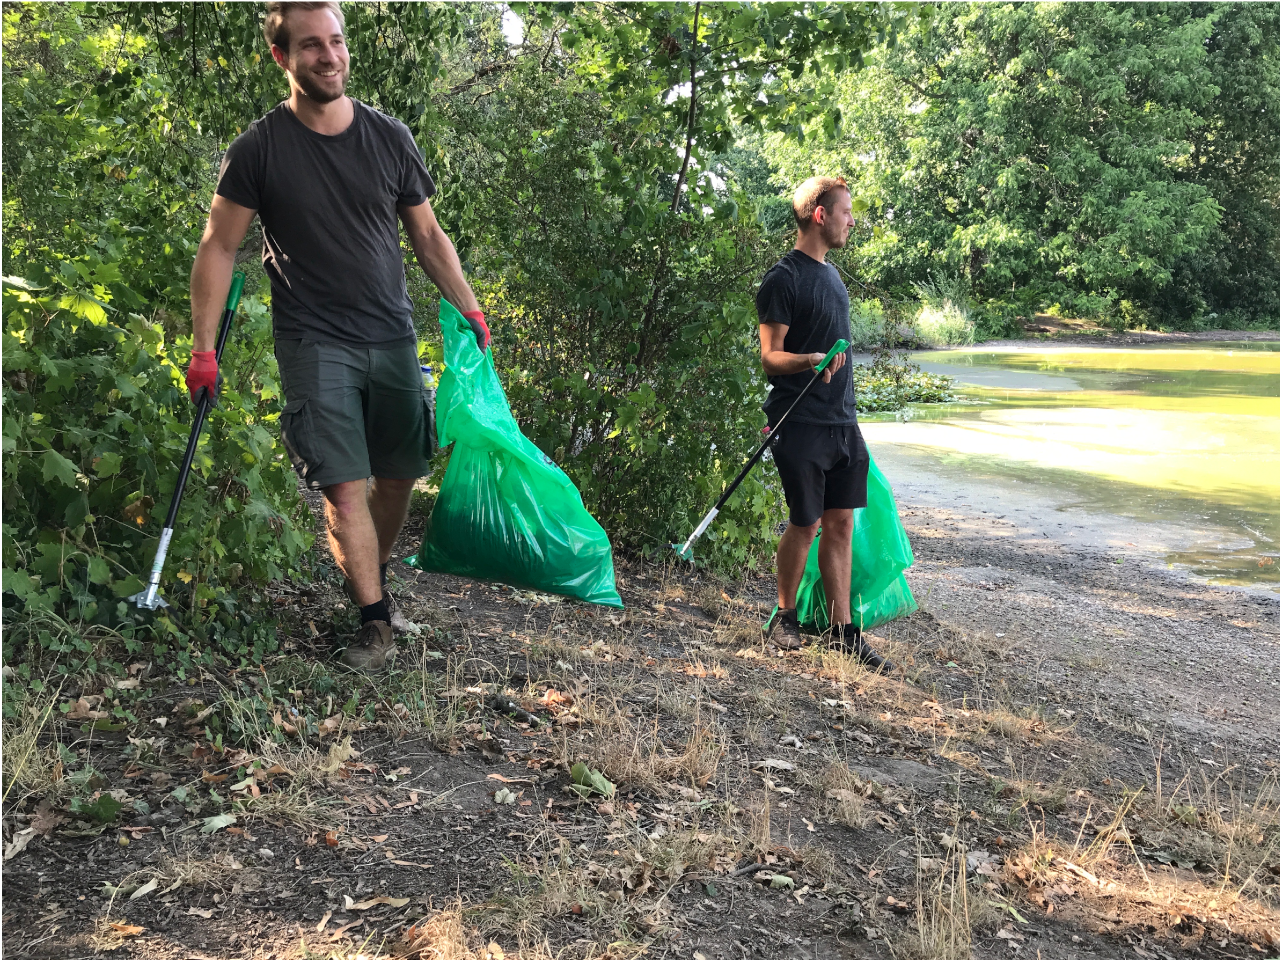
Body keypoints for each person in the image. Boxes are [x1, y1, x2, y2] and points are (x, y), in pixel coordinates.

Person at [186, 1, 487, 671]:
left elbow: (429, 235)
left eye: (337, 41)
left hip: (391, 335)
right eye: (312, 45)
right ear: (282, 57)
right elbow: (218, 246)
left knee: (401, 473)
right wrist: (203, 348)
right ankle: (374, 620)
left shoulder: (389, 137)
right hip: (314, 341)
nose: (330, 55)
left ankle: (370, 579)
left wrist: (469, 308)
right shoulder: (259, 148)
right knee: (345, 486)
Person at [755, 176, 893, 672]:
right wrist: (810, 360)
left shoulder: (833, 279)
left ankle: (843, 632)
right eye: (845, 212)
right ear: (819, 214)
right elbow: (771, 358)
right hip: (799, 420)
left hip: (842, 422)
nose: (851, 221)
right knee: (806, 521)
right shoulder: (782, 279)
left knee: (841, 522)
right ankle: (786, 615)